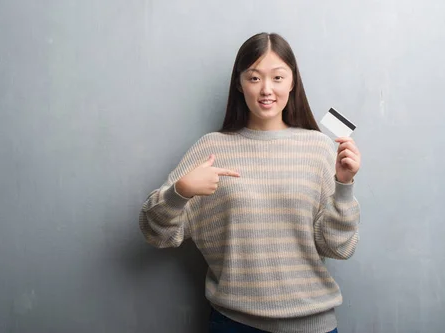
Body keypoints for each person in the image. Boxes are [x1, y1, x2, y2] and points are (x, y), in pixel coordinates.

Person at [138, 32, 361, 333]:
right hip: (234, 324)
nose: (266, 89)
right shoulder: (211, 148)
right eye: (254, 78)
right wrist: (180, 192)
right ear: (239, 84)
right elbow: (156, 232)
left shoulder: (319, 148)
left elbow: (338, 247)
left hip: (313, 325)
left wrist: (344, 186)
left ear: (293, 82)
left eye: (278, 77)